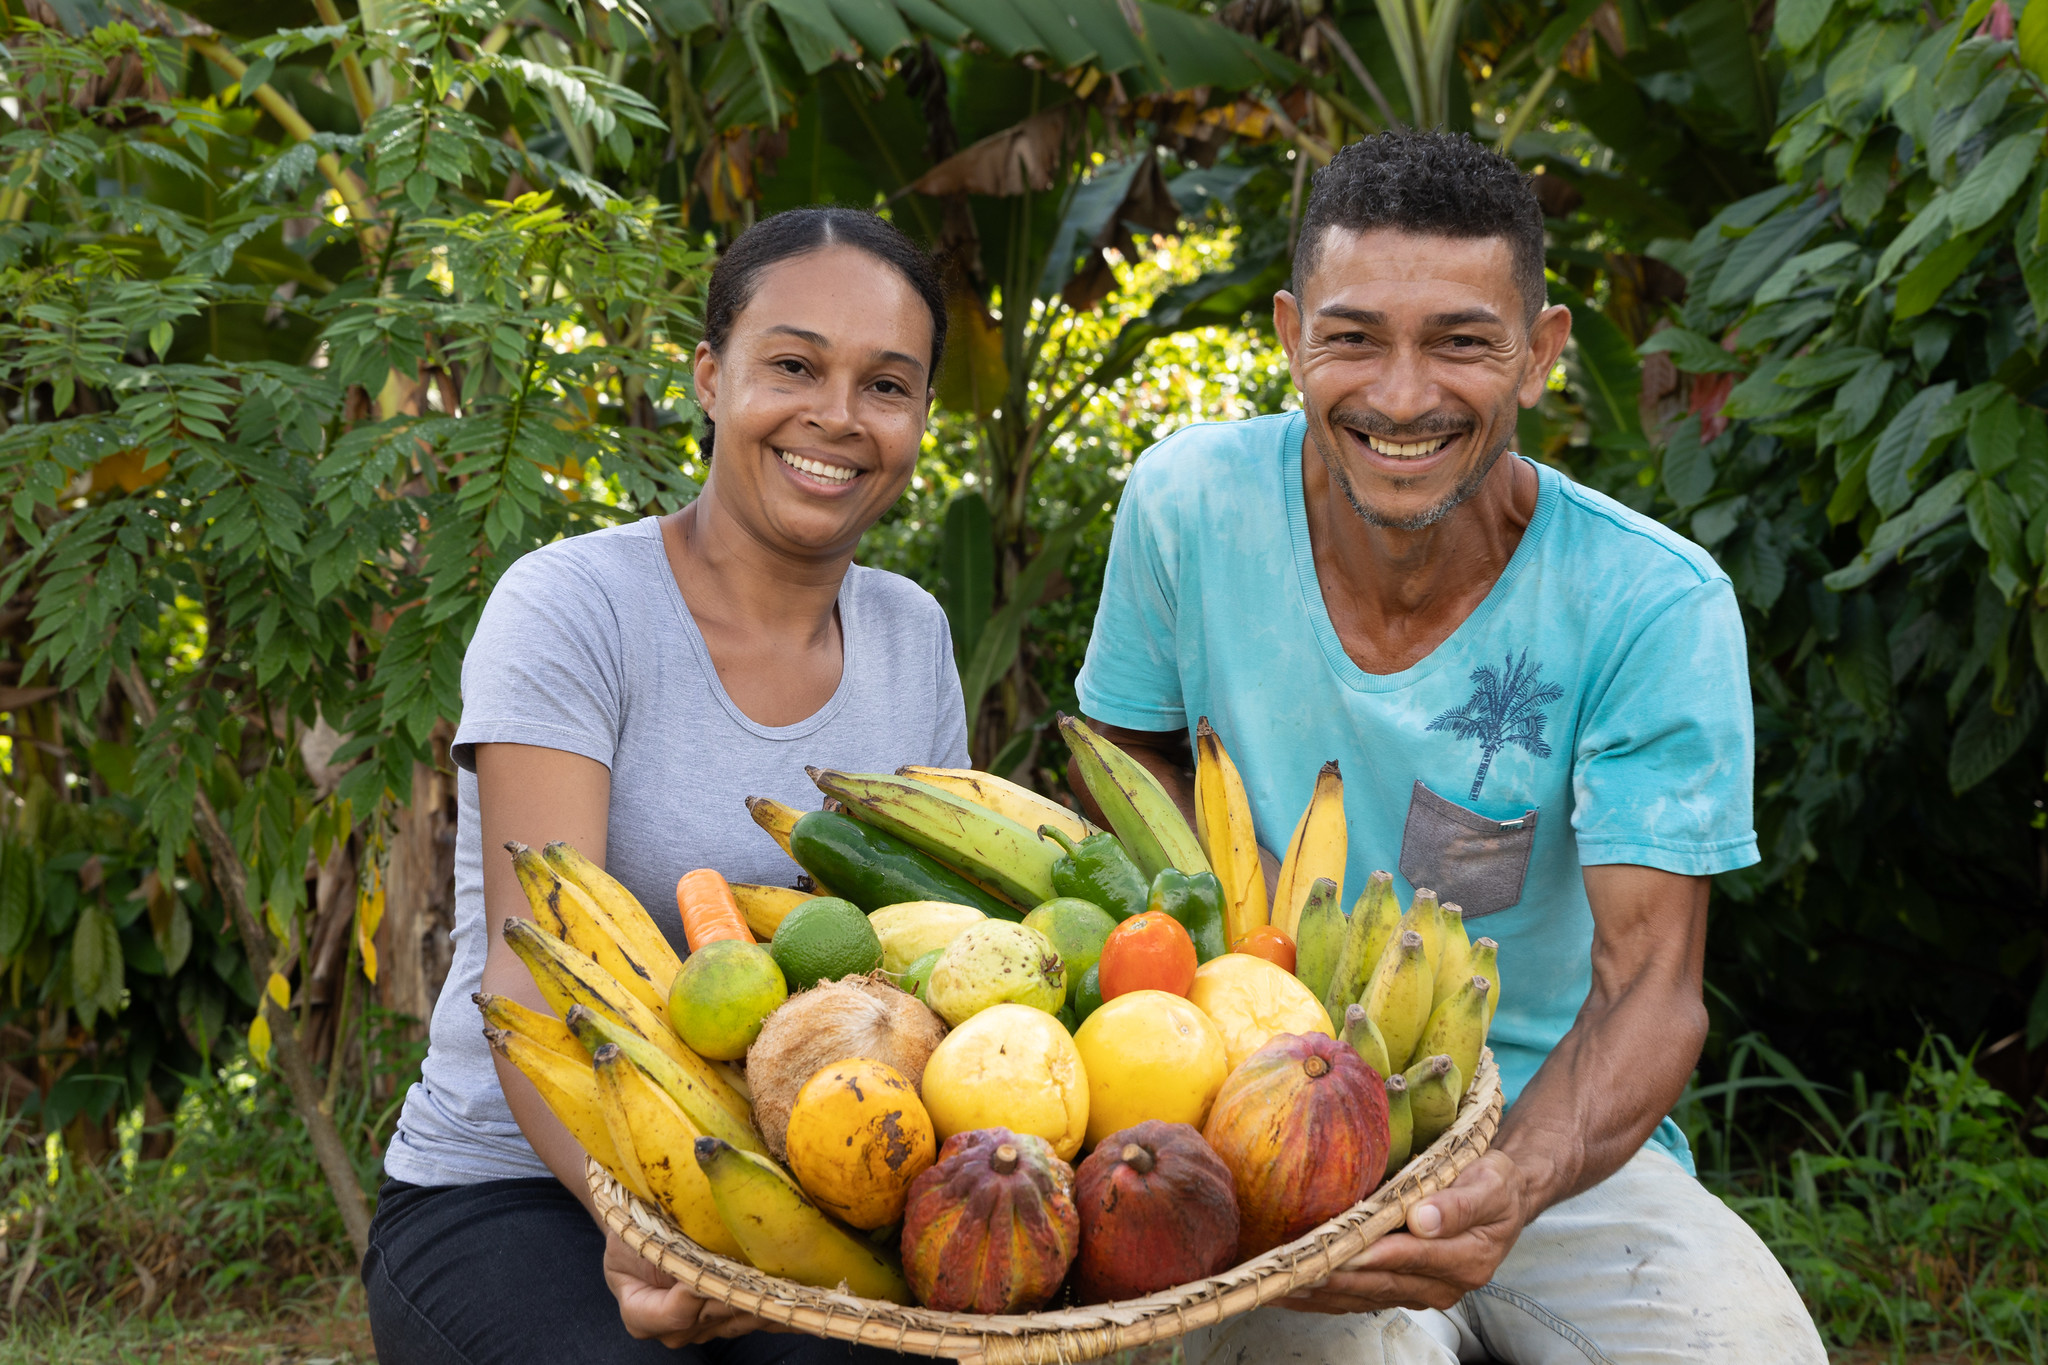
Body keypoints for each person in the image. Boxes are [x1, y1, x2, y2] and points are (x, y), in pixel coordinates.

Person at [1072, 131, 1826, 1363]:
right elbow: (1121, 762)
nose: (1402, 394)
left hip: (1545, 1126)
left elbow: (1651, 989)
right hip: (1251, 1109)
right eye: (1354, 335)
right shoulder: (1187, 506)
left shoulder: (1647, 602)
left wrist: (1509, 1185)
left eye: (1462, 342)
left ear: (1539, 354)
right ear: (1286, 334)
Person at [363, 207, 965, 1365]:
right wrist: (649, 1228)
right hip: (521, 1189)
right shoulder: (574, 608)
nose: (836, 417)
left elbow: (919, 955)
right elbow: (537, 977)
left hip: (819, 1183)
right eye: (792, 365)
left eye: (885, 386)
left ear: (919, 418)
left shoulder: (910, 634)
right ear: (707, 374)